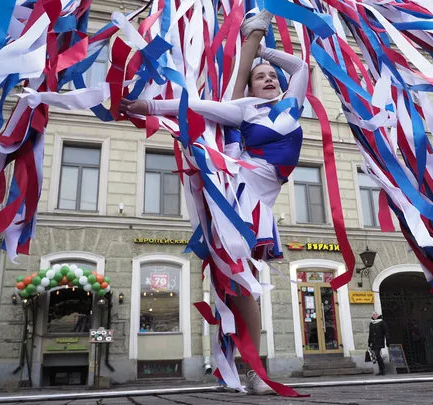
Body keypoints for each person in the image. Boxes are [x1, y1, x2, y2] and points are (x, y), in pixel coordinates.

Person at [120, 10, 307, 395]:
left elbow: (300, 65)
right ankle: (245, 369)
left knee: (239, 284)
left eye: (273, 78)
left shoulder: (293, 103)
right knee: (237, 284)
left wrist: (261, 50)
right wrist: (149, 107)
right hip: (233, 192)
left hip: (256, 203)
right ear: (251, 88)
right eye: (260, 78)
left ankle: (241, 368)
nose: (269, 80)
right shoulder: (242, 110)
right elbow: (194, 105)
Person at [368, 312, 388, 376]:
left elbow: (386, 332)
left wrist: (388, 341)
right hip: (373, 342)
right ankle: (381, 370)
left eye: (375, 314)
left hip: (379, 341)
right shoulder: (371, 323)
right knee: (377, 355)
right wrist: (369, 342)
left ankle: (383, 369)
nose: (374, 315)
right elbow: (370, 333)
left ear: (378, 315)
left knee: (377, 354)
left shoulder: (382, 322)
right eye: (373, 314)